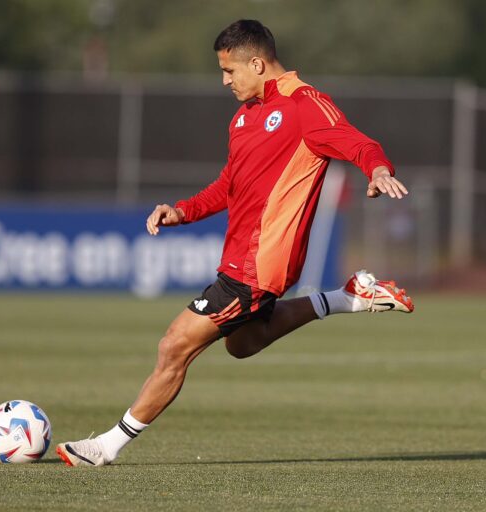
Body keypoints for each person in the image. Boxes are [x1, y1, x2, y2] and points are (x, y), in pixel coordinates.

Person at [56, 19, 414, 467]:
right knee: (243, 344)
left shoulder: (305, 105)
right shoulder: (245, 115)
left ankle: (105, 448)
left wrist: (378, 170)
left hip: (260, 266)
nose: (225, 80)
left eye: (230, 71)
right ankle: (348, 297)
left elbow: (357, 142)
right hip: (240, 260)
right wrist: (182, 210)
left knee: (174, 345)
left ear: (258, 63)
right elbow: (230, 184)